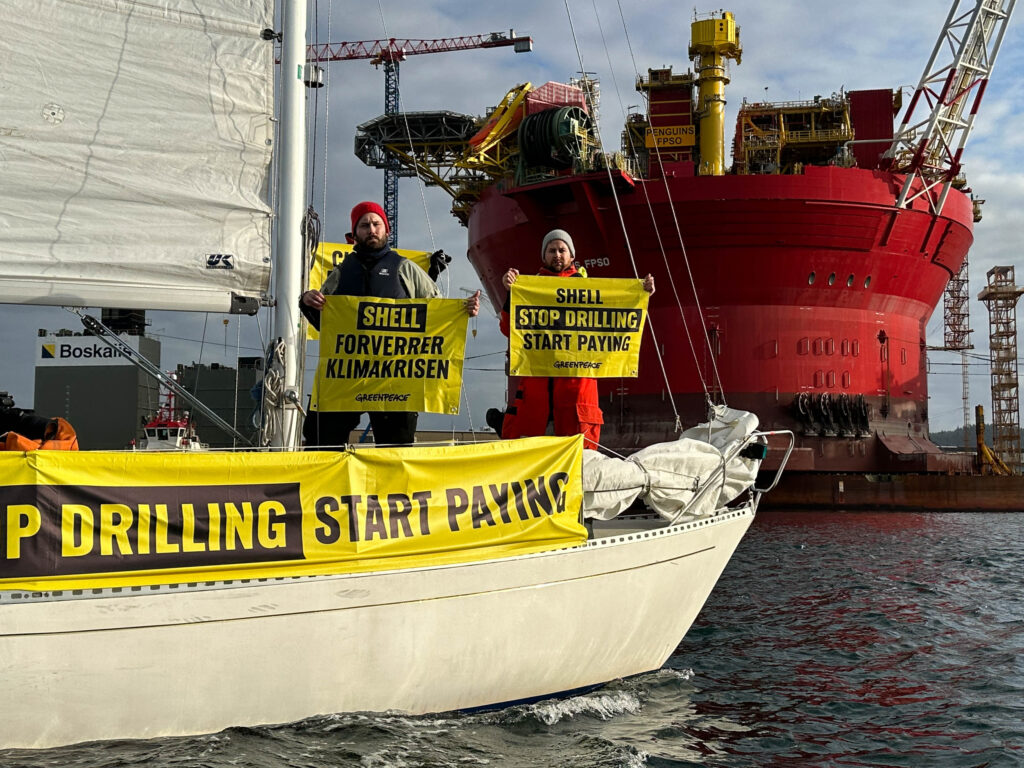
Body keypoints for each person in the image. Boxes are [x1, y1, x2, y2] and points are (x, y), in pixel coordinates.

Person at [301, 201, 480, 447]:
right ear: (355, 233)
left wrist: (463, 311)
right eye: (364, 225)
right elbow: (324, 323)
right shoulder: (340, 274)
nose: (371, 230)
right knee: (320, 440)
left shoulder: (406, 269)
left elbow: (438, 313)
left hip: (395, 379)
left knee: (395, 450)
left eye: (376, 224)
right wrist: (307, 302)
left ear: (387, 230)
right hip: (346, 377)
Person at [497, 229, 654, 449]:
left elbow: (621, 323)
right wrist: (511, 293)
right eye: (552, 250)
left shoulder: (588, 290)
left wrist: (641, 294)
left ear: (572, 256)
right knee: (524, 465)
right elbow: (508, 329)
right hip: (536, 395)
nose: (557, 255)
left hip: (577, 393)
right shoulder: (528, 288)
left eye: (562, 250)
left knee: (580, 465)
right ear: (544, 256)